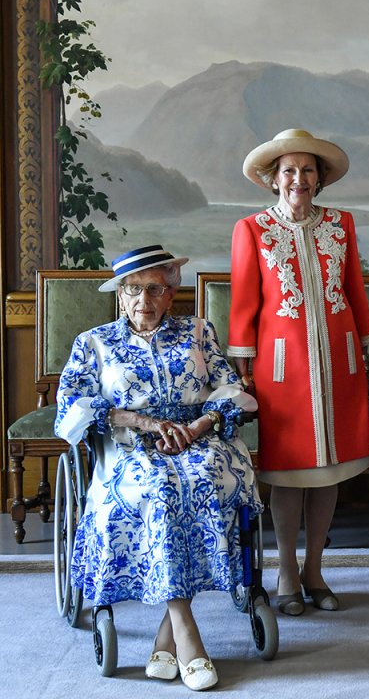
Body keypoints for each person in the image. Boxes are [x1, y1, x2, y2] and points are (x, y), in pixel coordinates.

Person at [56, 245, 260, 691]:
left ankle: (166, 638)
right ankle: (186, 630)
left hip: (197, 438)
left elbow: (231, 387)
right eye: (133, 289)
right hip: (129, 447)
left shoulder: (199, 331)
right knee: (159, 489)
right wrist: (145, 421)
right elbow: (71, 408)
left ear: (171, 294)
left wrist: (200, 424)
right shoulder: (94, 343)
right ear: (120, 295)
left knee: (207, 478)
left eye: (154, 289)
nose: (143, 300)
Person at [229, 129, 369, 616]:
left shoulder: (341, 225)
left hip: (340, 360)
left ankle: (315, 569)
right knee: (289, 471)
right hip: (281, 368)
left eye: (307, 170)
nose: (298, 178)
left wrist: (367, 349)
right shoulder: (252, 230)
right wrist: (244, 362)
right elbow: (246, 301)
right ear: (274, 180)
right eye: (289, 170)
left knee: (328, 469)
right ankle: (287, 570)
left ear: (320, 178)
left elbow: (353, 289)